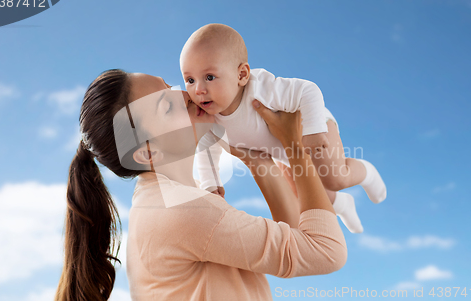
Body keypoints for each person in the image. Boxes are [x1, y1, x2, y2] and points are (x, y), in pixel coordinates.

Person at [55, 69, 347, 301]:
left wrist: (255, 158)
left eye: (170, 85)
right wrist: (293, 143)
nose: (186, 94)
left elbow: (297, 241)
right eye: (167, 106)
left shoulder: (166, 201)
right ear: (147, 152)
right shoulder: (182, 211)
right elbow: (326, 251)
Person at [180, 23, 388, 234]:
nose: (198, 90)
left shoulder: (260, 89)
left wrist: (314, 129)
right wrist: (210, 183)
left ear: (242, 75)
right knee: (305, 196)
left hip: (312, 126)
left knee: (333, 178)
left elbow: (307, 91)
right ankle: (343, 205)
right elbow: (206, 146)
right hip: (283, 153)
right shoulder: (209, 117)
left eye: (209, 77)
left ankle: (367, 173)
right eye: (189, 80)